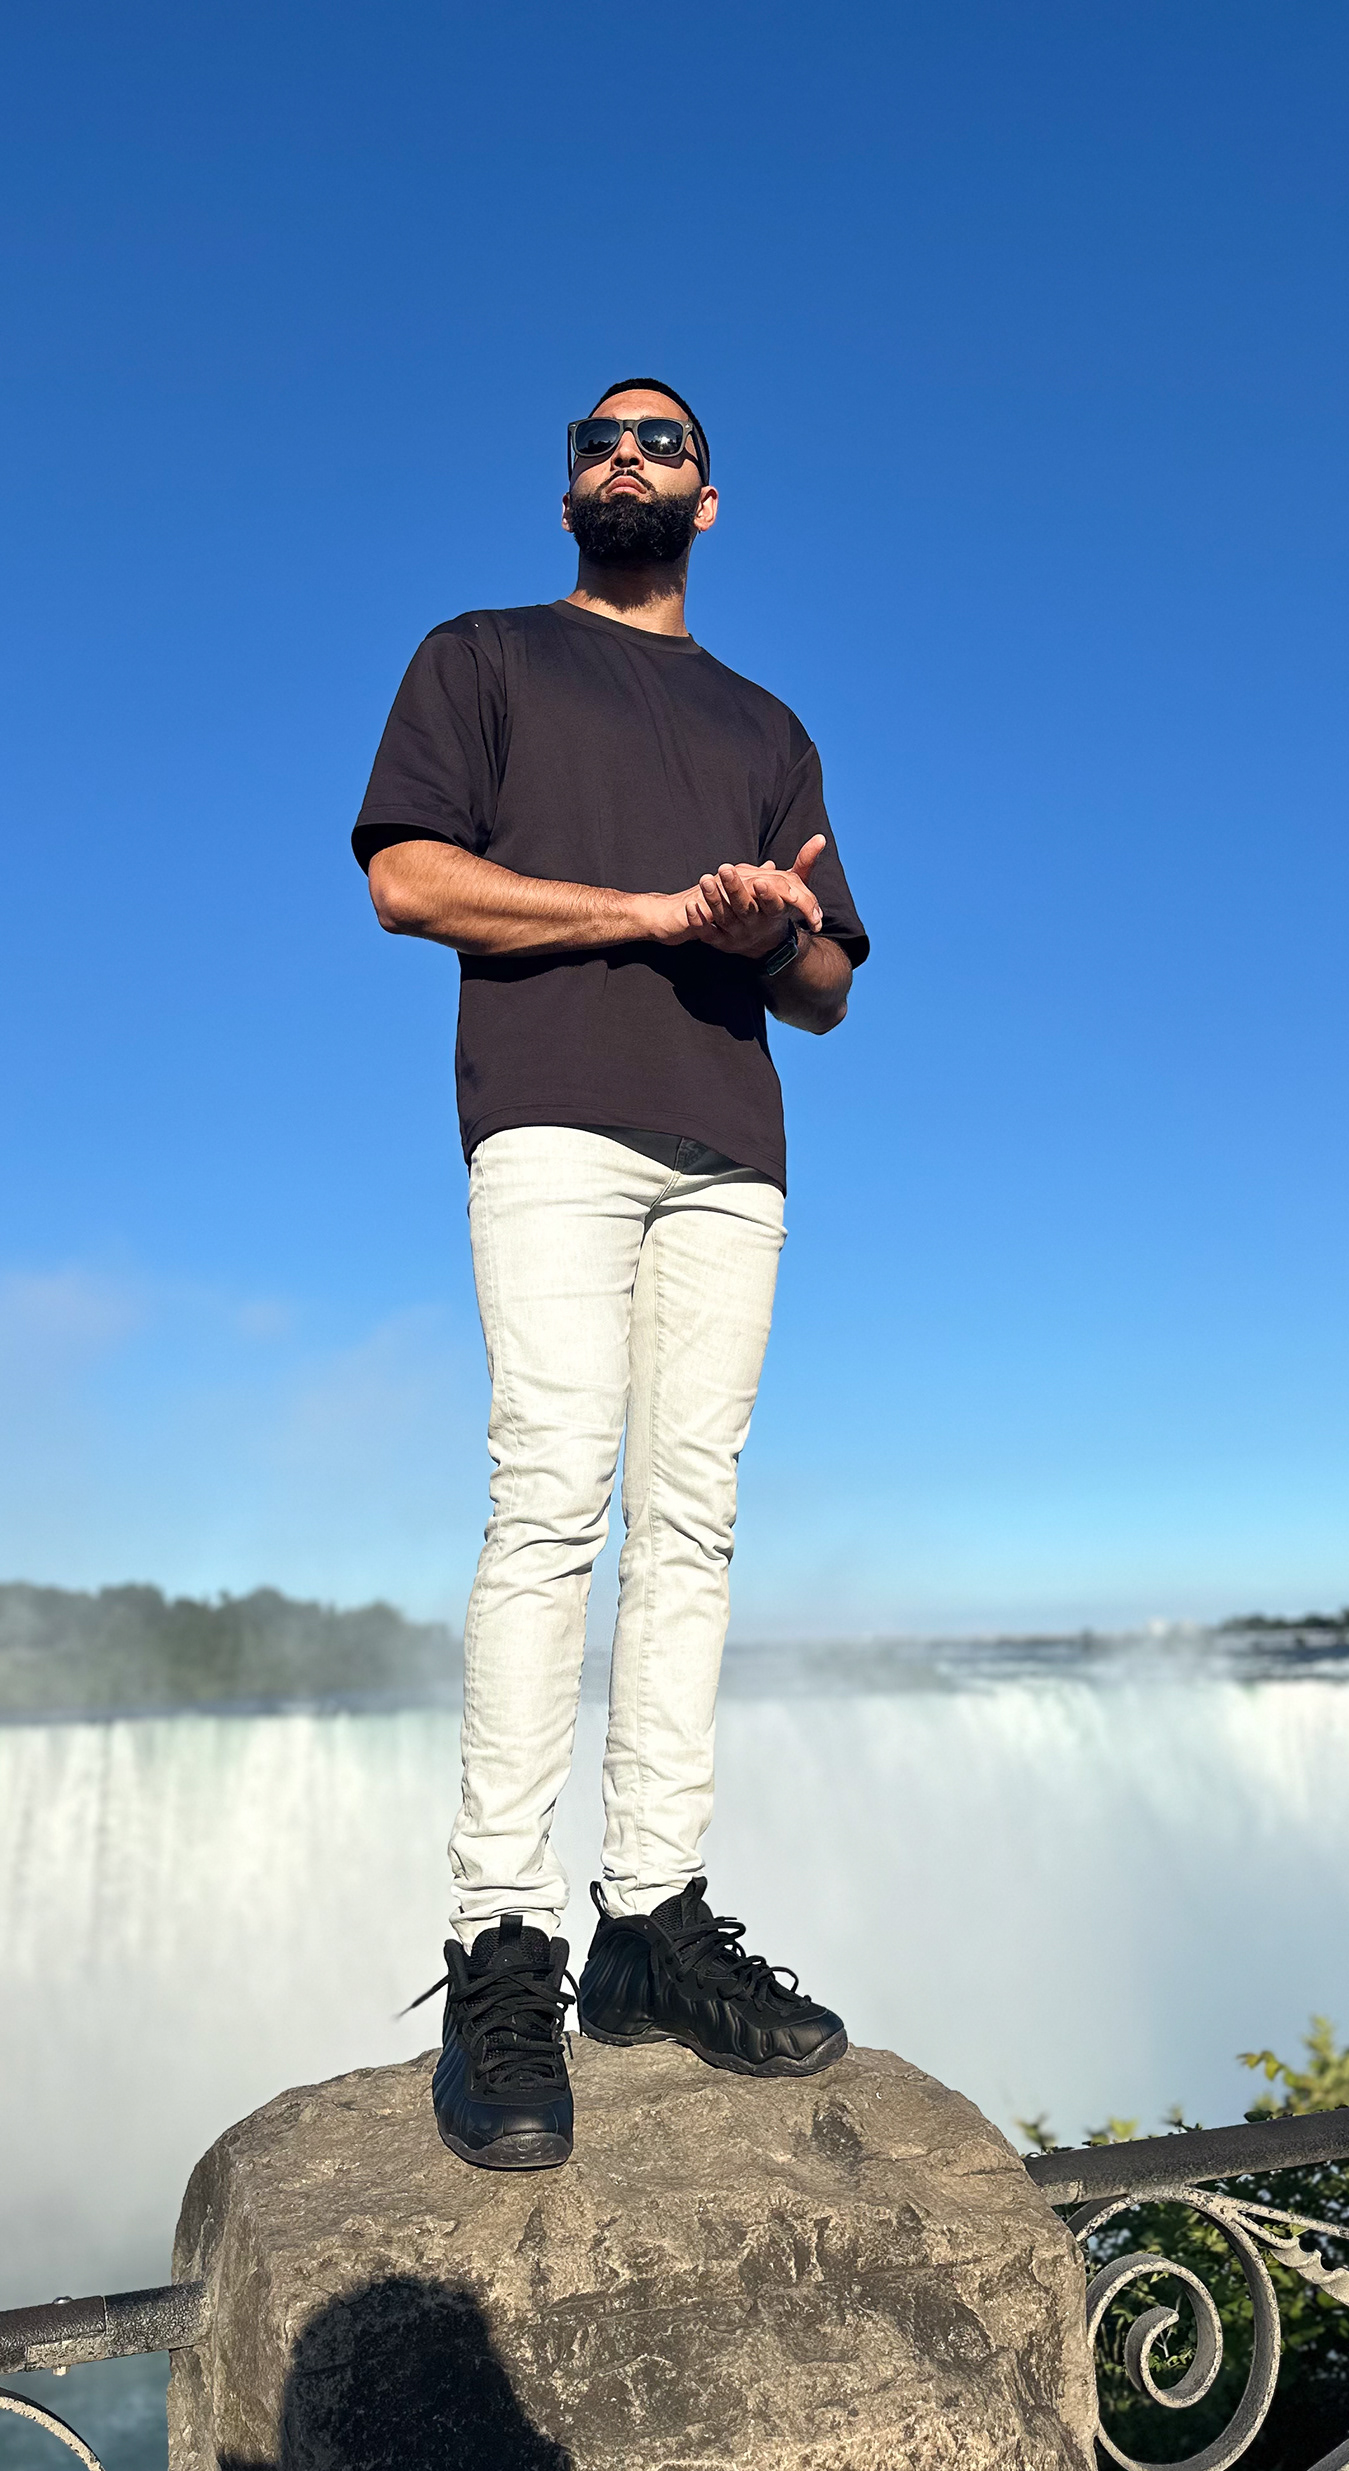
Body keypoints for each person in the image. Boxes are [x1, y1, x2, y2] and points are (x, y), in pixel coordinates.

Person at [354, 376, 869, 2171]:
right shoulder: (481, 658)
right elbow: (412, 884)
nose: (628, 460)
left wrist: (776, 926)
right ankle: (504, 1945)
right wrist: (653, 914)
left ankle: (650, 1928)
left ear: (710, 503)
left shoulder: (769, 727)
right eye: (599, 443)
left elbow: (829, 992)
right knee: (551, 1503)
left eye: (661, 444)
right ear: (570, 490)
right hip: (558, 1123)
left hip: (732, 1150)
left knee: (694, 1523)